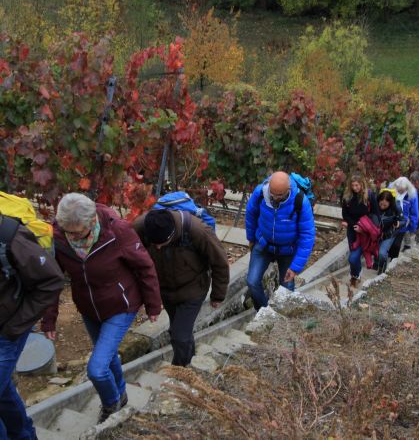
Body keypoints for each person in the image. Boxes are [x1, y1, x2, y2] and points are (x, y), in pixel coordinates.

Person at [41, 193, 162, 423]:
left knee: (96, 369)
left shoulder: (117, 232)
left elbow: (145, 267)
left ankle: (112, 406)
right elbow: (53, 280)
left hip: (121, 305)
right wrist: (49, 319)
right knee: (106, 357)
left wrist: (153, 305)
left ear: (92, 221)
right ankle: (121, 394)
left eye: (77, 232)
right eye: (68, 231)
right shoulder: (58, 236)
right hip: (89, 308)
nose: (72, 237)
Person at [133, 209, 229, 367]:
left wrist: (218, 295)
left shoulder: (197, 231)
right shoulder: (140, 228)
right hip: (165, 289)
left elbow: (220, 262)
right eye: (153, 243)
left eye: (161, 243)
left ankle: (179, 370)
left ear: (171, 235)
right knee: (177, 331)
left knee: (180, 336)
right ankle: (189, 361)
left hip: (193, 289)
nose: (157, 248)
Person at [0, 216, 65, 440]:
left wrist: (13, 327)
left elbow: (52, 281)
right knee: (3, 390)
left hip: (6, 331)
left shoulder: (11, 237)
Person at [245, 171, 315, 310]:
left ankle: (282, 319)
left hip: (288, 250)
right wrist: (251, 238)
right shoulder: (260, 192)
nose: (275, 198)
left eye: (280, 195)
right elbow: (250, 214)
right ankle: (264, 313)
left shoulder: (300, 201)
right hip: (264, 243)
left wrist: (296, 267)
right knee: (252, 282)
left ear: (288, 190)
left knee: (287, 290)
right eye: (273, 194)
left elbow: (307, 235)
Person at [342, 173, 378, 287]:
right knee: (353, 257)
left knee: (353, 258)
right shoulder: (347, 197)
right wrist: (354, 226)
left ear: (362, 184)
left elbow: (375, 214)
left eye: (357, 185)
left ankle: (355, 275)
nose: (355, 188)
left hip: (366, 231)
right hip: (353, 230)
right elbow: (345, 215)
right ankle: (356, 275)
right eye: (353, 185)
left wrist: (363, 228)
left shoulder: (370, 196)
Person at [373, 189, 405, 274]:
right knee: (376, 251)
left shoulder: (396, 208)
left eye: (385, 204)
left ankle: (381, 269)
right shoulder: (374, 207)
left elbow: (404, 221)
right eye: (381, 202)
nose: (382, 205)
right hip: (376, 234)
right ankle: (377, 262)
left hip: (389, 234)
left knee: (382, 254)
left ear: (390, 202)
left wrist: (398, 223)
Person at [388, 177, 419, 258]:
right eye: (398, 189)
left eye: (402, 189)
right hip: (391, 221)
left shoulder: (412, 194)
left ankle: (392, 260)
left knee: (396, 245)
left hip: (403, 223)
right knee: (388, 242)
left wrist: (413, 227)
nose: (400, 191)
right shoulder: (391, 189)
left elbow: (414, 212)